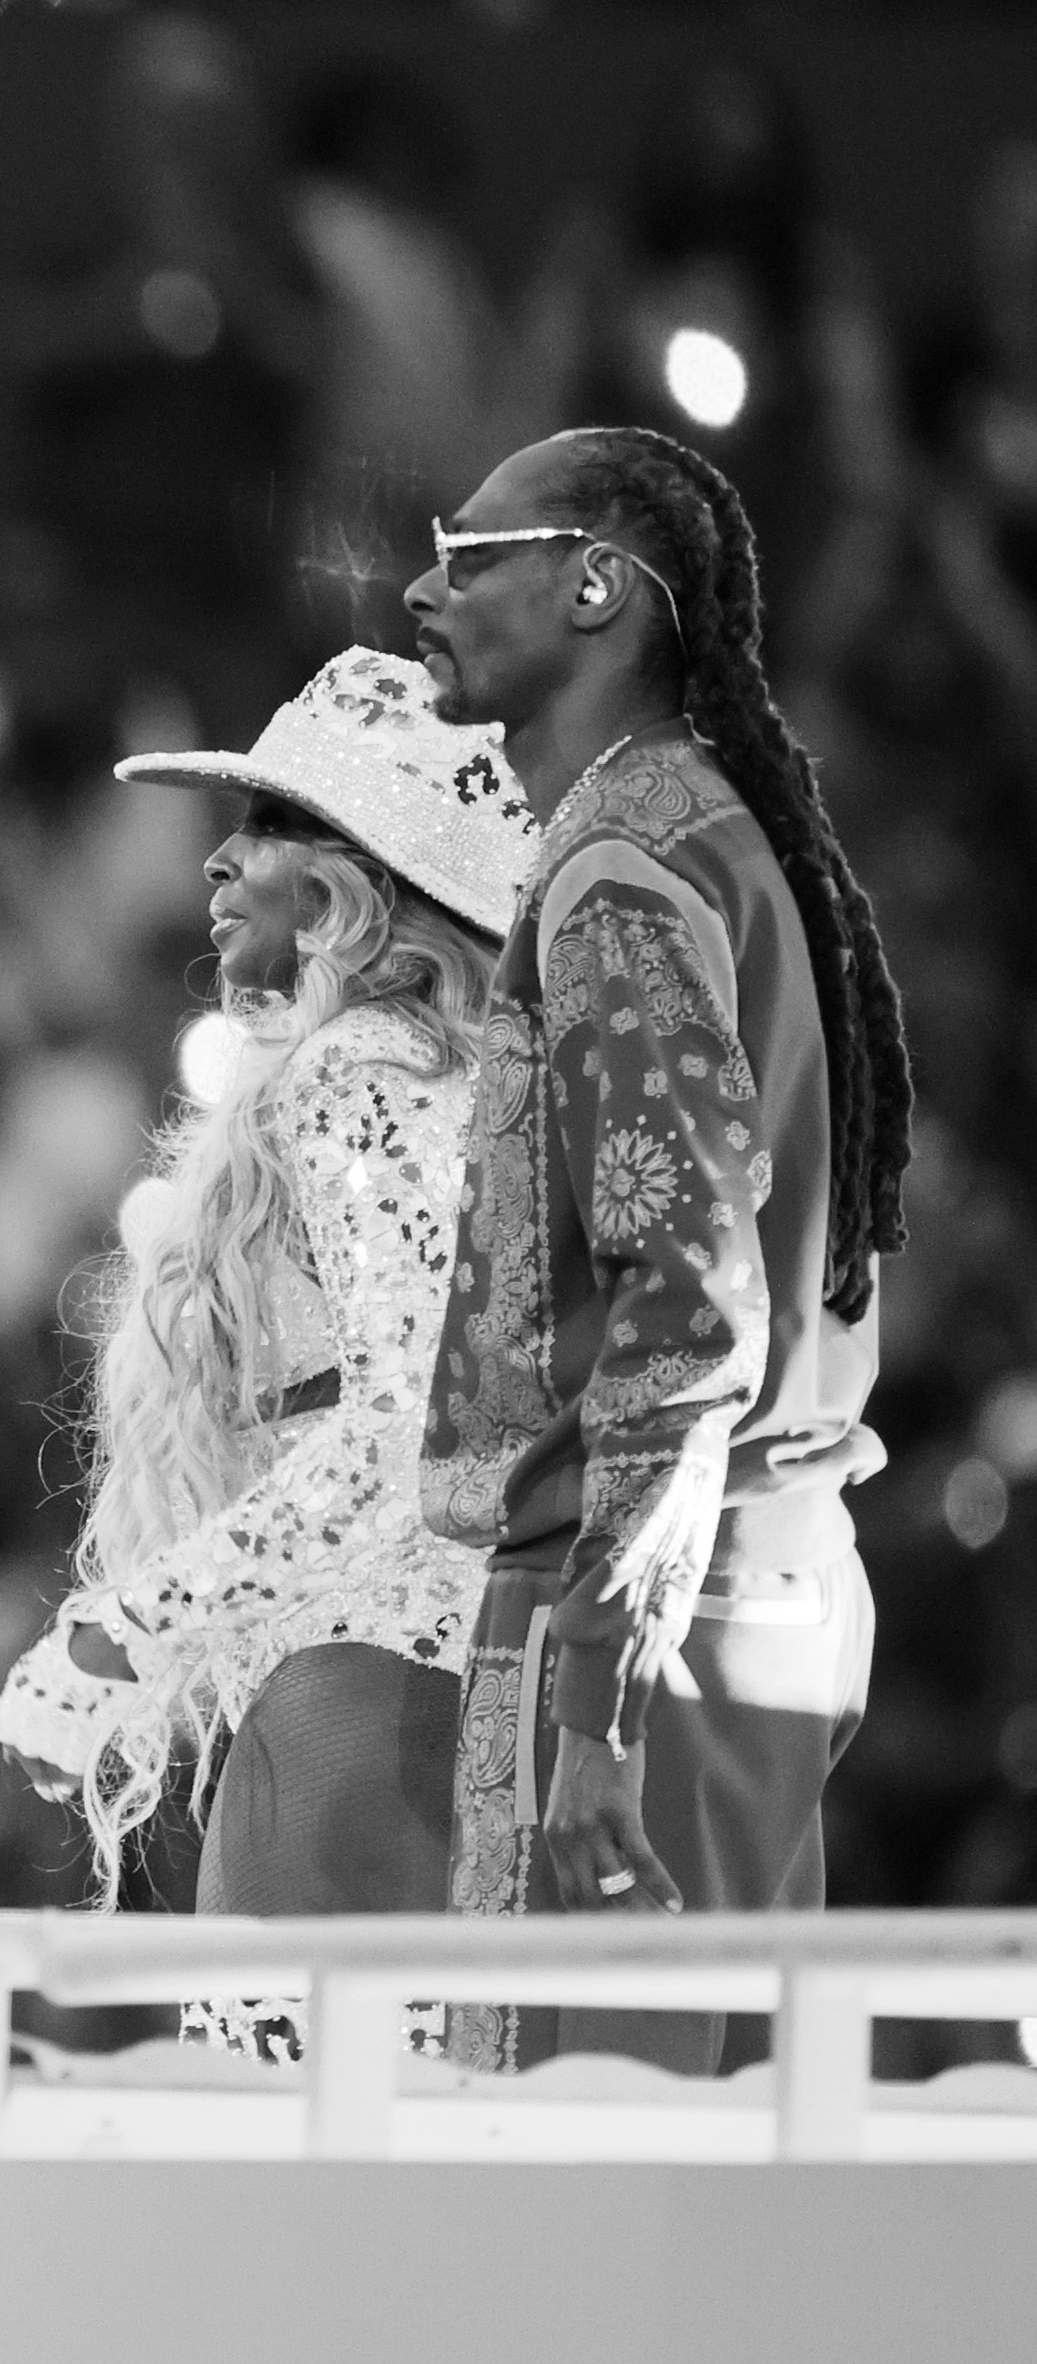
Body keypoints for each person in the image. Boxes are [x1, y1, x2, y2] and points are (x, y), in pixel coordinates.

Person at [406, 425, 908, 2074]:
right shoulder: (708, 837)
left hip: (655, 1641)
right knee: (693, 2195)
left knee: (589, 2218)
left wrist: (601, 1701)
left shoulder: (625, 869)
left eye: (473, 555)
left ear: (598, 585)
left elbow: (688, 1311)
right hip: (751, 1591)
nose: (427, 586)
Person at [0, 650, 536, 2051]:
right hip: (415, 1699)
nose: (222, 861)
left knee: (310, 2210)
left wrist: (118, 1633)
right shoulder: (447, 1081)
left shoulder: (357, 1076)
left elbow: (400, 1438)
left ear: (359, 880)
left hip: (360, 1708)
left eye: (274, 826)